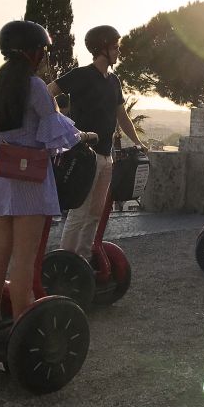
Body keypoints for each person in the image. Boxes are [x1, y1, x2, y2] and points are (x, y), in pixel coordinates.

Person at [0, 20, 96, 339]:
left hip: (0, 170)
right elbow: (52, 128)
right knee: (25, 256)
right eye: (42, 50)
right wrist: (83, 135)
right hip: (28, 173)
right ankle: (21, 324)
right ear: (31, 51)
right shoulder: (32, 85)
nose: (44, 55)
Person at [47, 25, 145, 261]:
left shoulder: (114, 81)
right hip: (83, 154)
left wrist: (138, 141)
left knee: (96, 213)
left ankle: (82, 260)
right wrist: (61, 125)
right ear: (101, 49)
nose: (118, 52)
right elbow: (47, 93)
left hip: (106, 155)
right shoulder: (81, 74)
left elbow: (122, 115)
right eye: (114, 47)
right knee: (79, 213)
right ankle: (65, 261)